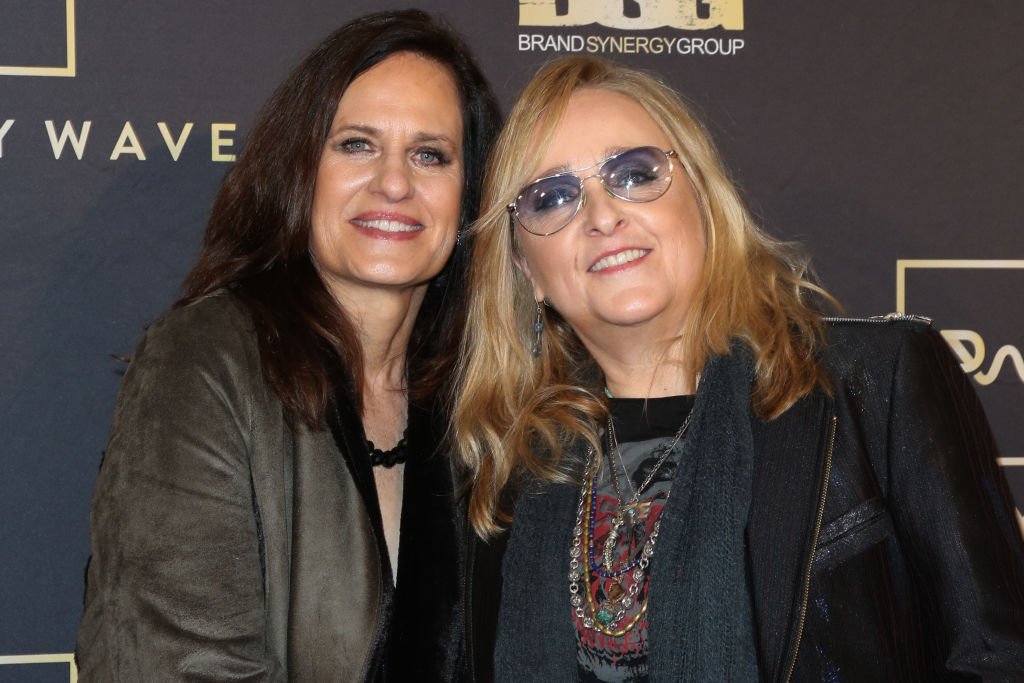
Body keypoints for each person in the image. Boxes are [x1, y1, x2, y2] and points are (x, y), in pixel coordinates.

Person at [454, 55, 1024, 681]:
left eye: (634, 173)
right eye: (552, 196)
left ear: (702, 197)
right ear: (526, 268)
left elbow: (999, 658)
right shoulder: (508, 472)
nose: (601, 216)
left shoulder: (872, 387)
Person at [75, 10, 500, 680]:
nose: (395, 182)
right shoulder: (204, 361)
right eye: (357, 145)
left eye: (430, 154)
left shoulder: (484, 399)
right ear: (300, 168)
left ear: (469, 192)